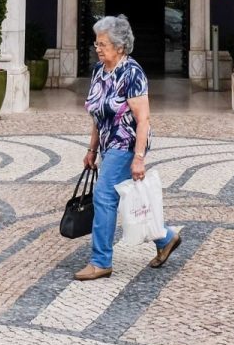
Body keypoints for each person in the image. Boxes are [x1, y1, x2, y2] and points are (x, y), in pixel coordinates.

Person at [75, 14, 182, 281]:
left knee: (103, 196)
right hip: (108, 143)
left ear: (119, 46)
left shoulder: (132, 73)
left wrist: (139, 158)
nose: (97, 49)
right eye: (97, 44)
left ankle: (101, 261)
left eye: (102, 44)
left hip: (126, 143)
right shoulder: (99, 71)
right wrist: (91, 150)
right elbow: (98, 115)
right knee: (126, 198)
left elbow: (143, 119)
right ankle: (165, 237)